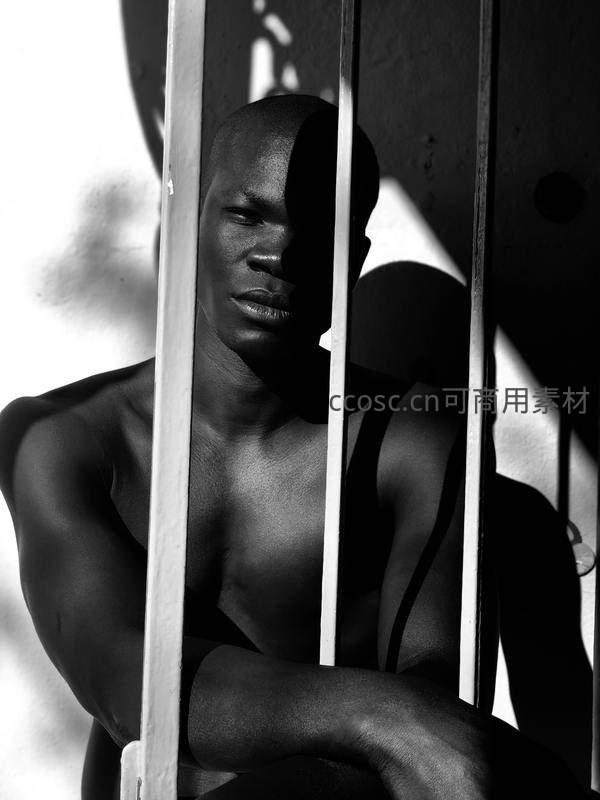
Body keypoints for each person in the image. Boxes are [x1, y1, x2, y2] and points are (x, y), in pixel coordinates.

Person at [0, 95, 587, 800]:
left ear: (353, 260)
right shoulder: (61, 437)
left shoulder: (413, 445)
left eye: (322, 228)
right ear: (189, 221)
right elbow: (127, 679)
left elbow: (438, 722)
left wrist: (406, 723)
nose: (278, 255)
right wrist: (382, 717)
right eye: (248, 215)